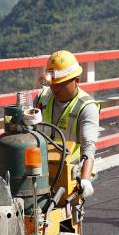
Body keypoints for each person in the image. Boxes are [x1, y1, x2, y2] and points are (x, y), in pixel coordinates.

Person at [35, 50, 99, 198]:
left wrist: (85, 180)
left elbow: (88, 147)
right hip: (41, 170)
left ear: (76, 81)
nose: (55, 88)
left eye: (61, 84)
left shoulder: (86, 107)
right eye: (52, 83)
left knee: (67, 212)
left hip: (70, 174)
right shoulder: (42, 98)